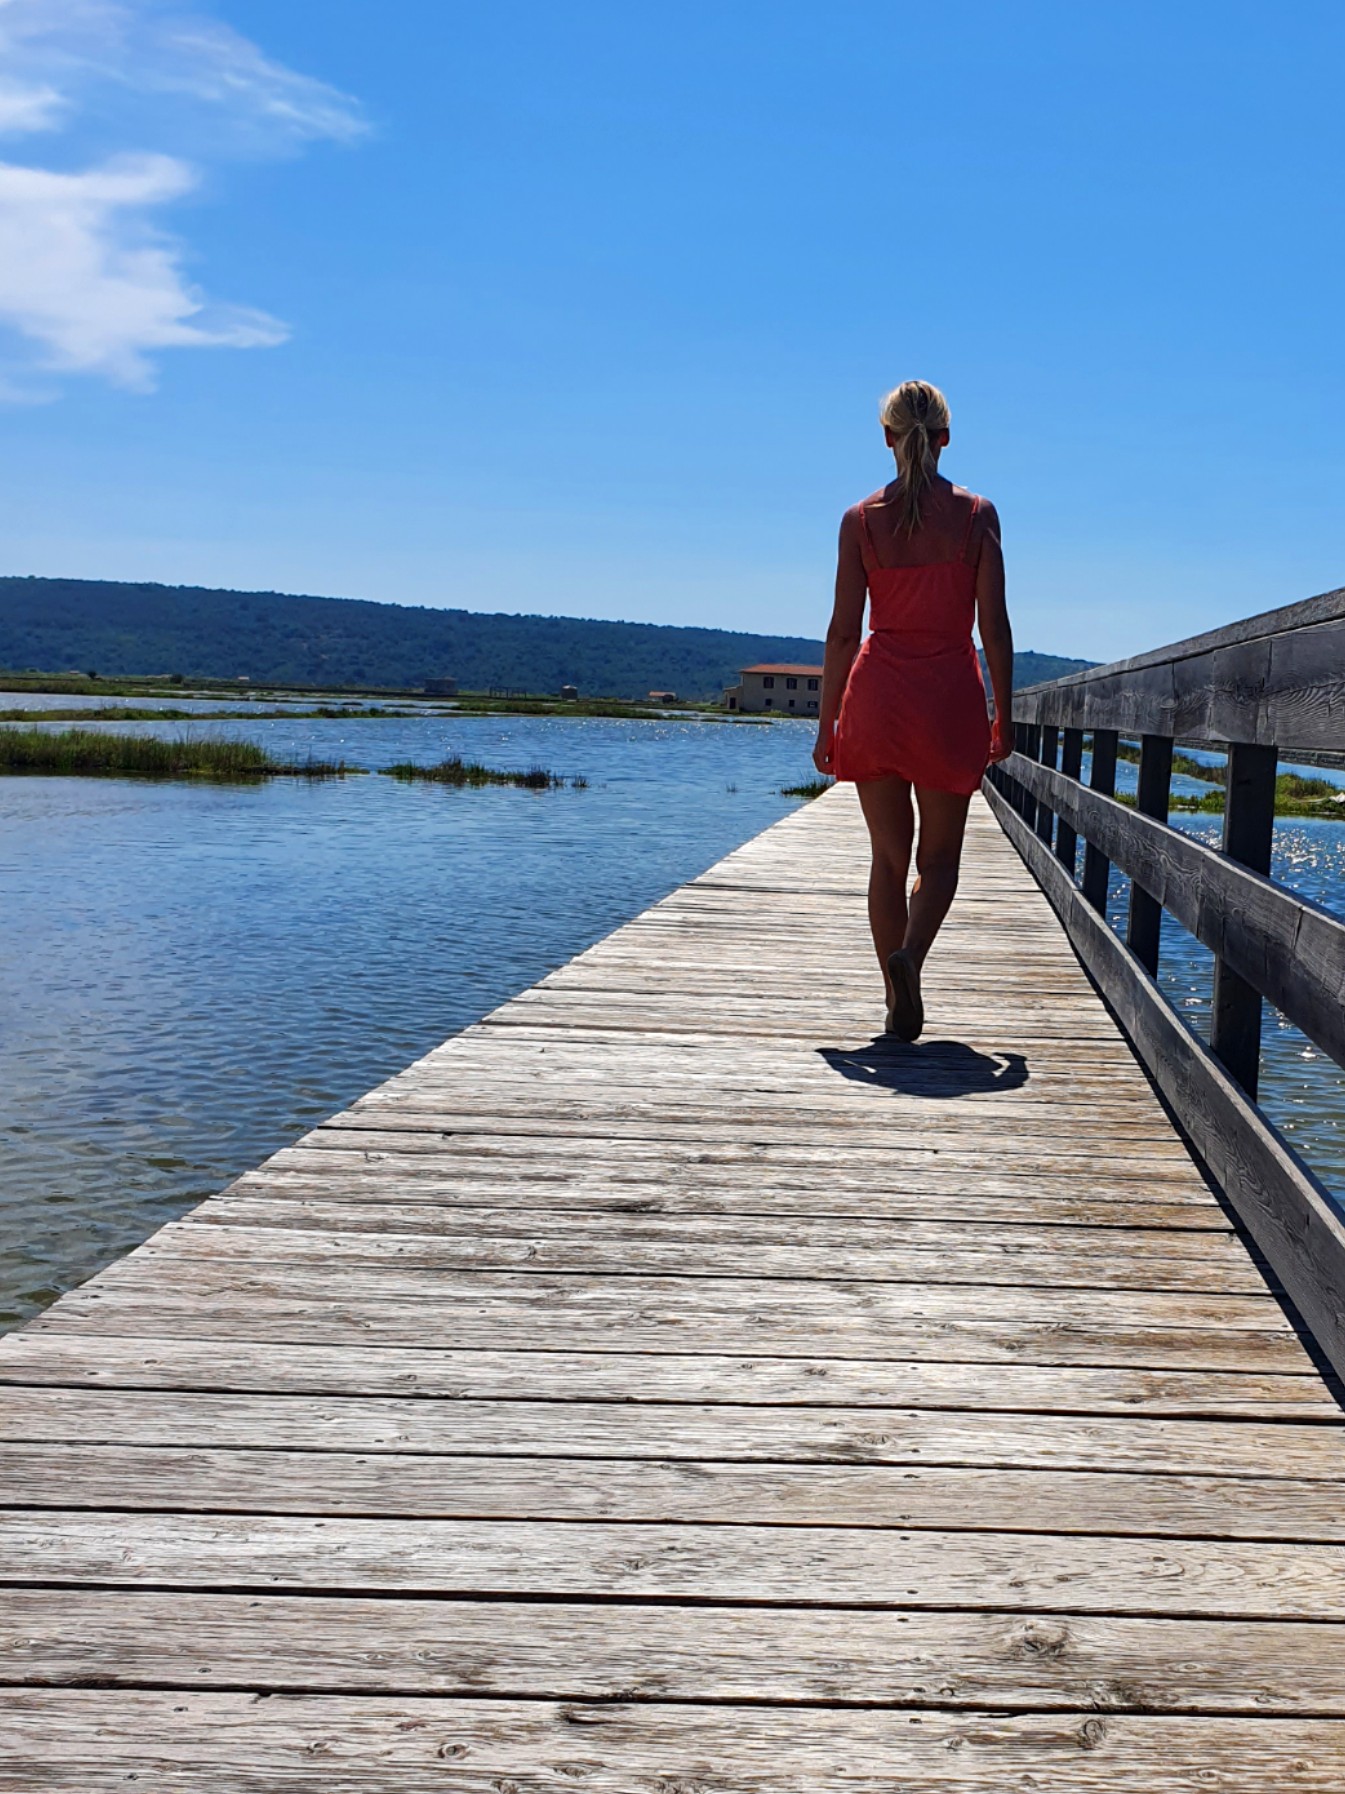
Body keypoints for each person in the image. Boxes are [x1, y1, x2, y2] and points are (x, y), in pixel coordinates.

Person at [813, 379, 1013, 1041]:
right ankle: (912, 958)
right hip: (948, 698)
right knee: (940, 860)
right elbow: (994, 629)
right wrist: (1003, 714)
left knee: (887, 861)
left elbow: (842, 633)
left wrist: (827, 723)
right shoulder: (977, 515)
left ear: (887, 437)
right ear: (946, 438)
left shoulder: (859, 520)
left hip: (876, 699)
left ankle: (892, 994)